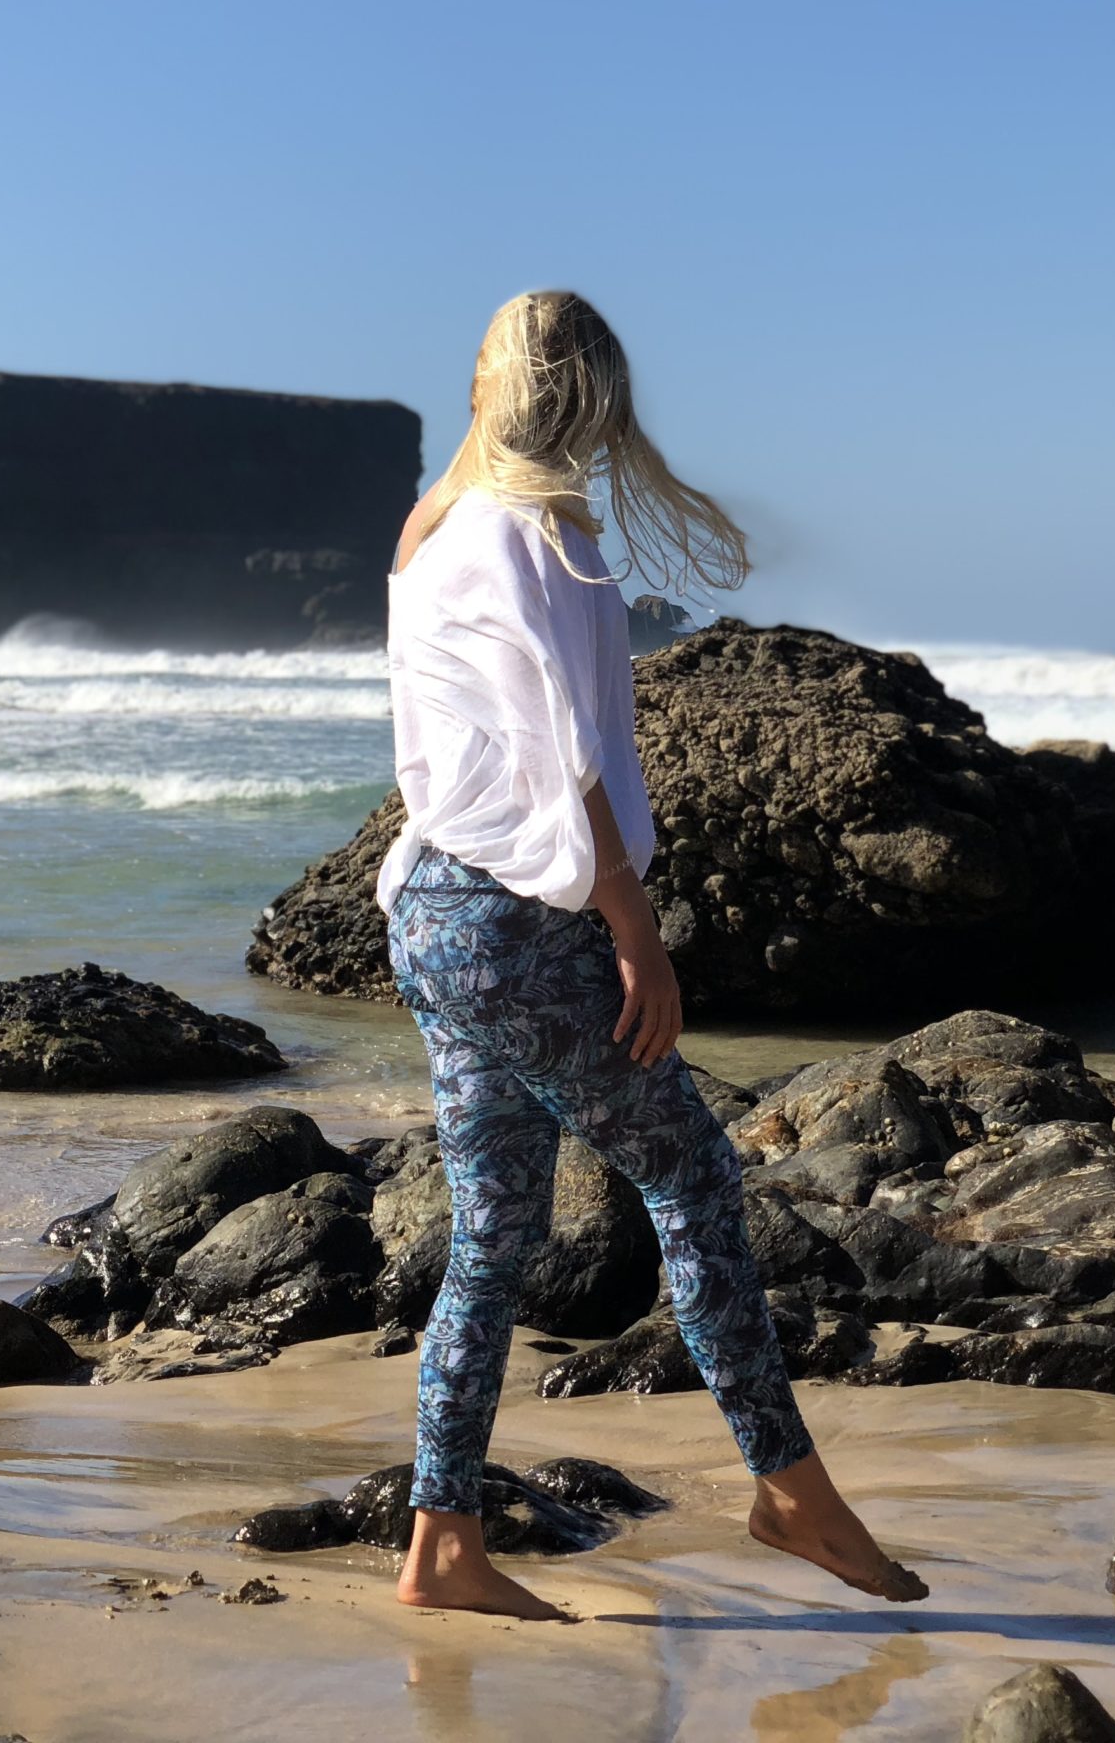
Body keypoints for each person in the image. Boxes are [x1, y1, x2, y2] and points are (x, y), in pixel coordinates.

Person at [382, 290, 926, 1620]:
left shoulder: (433, 530)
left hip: (432, 919)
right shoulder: (541, 544)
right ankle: (787, 1488)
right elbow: (571, 759)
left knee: (496, 1238)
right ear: (596, 402)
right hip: (523, 926)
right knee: (692, 1179)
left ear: (484, 393)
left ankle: (442, 1543)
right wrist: (639, 938)